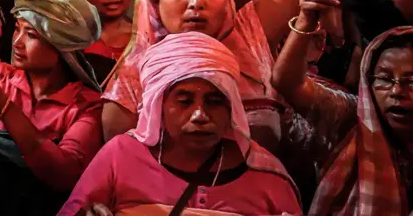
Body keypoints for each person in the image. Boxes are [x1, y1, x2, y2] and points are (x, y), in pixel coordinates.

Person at [101, 0, 309, 153]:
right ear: (155, 3)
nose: (196, 2)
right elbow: (122, 162)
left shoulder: (249, 34)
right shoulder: (132, 77)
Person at [63, 32, 301, 215]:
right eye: (185, 101)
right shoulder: (120, 156)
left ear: (231, 108)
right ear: (159, 105)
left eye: (214, 101)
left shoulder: (267, 176)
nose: (200, 115)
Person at [272, 0, 413, 214]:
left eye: (411, 81)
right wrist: (307, 17)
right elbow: (288, 83)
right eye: (384, 79)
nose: (397, 91)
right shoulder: (351, 120)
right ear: (368, 82)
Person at [0, 0, 104, 215]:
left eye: (31, 35)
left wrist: (6, 109)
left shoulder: (86, 106)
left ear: (62, 47)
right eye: (17, 30)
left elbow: (64, 174)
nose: (18, 43)